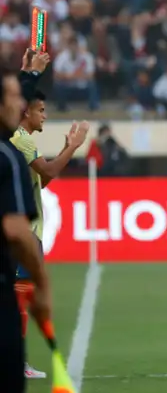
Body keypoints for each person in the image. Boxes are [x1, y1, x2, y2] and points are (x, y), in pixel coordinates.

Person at [11, 90, 88, 379]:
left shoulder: (17, 141)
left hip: (27, 230)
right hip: (25, 233)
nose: (44, 115)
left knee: (20, 298)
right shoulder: (21, 139)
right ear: (26, 112)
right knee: (19, 299)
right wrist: (73, 147)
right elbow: (50, 171)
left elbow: (40, 181)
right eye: (40, 110)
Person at [0, 64, 52, 393]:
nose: (21, 105)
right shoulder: (9, 155)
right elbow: (17, 231)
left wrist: (29, 74)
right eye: (15, 97)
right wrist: (43, 284)